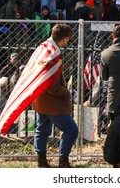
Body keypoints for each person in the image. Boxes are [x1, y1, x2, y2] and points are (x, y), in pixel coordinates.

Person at [32, 23, 78, 168]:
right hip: (52, 102)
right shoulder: (53, 54)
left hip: (41, 99)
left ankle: (41, 160)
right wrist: (65, 91)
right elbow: (50, 84)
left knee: (42, 129)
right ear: (64, 39)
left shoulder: (45, 47)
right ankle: (63, 160)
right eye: (68, 39)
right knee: (71, 130)